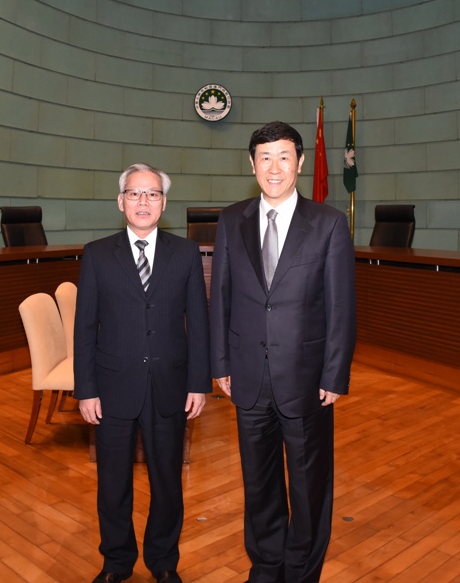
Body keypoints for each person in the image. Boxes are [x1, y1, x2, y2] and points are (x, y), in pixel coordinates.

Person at [209, 121, 357, 583]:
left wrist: (334, 375)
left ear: (300, 162)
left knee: (309, 486)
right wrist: (221, 363)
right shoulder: (231, 220)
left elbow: (341, 306)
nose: (274, 167)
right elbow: (222, 299)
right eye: (265, 157)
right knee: (259, 483)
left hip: (307, 379)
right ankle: (267, 565)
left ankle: (301, 571)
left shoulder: (329, 223)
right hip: (248, 377)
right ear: (251, 164)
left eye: (284, 156)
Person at [74, 163, 211, 583]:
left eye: (152, 194)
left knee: (168, 484)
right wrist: (86, 389)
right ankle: (116, 563)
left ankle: (163, 562)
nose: (143, 202)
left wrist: (198, 383)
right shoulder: (97, 254)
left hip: (170, 387)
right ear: (120, 202)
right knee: (113, 486)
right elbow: (84, 327)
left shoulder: (186, 253)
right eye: (134, 194)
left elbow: (199, 323)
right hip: (112, 389)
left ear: (164, 203)